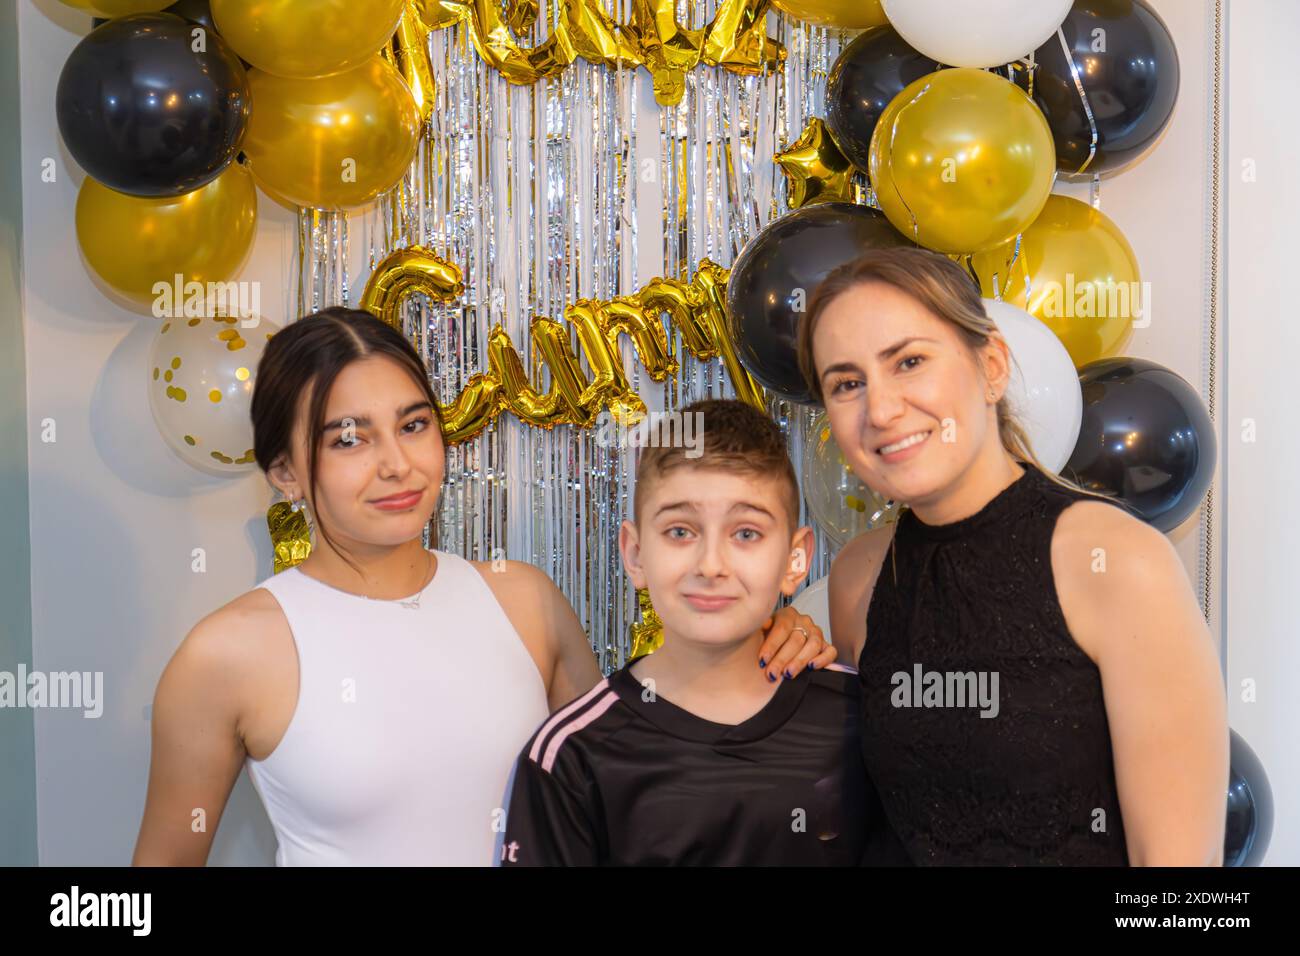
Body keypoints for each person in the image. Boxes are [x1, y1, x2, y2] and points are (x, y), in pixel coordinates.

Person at [132, 308, 830, 866]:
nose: (397, 465)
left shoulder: (522, 600)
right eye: (349, 440)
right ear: (284, 470)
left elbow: (634, 772)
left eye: (414, 426)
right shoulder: (227, 654)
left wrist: (765, 636)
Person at [797, 247, 1228, 865]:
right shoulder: (860, 577)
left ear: (992, 366)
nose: (882, 410)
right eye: (847, 383)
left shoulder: (1115, 560)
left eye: (910, 361)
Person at [497, 398, 904, 866]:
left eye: (746, 533)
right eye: (680, 532)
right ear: (635, 554)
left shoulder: (862, 719)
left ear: (796, 560)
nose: (711, 565)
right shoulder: (573, 756)